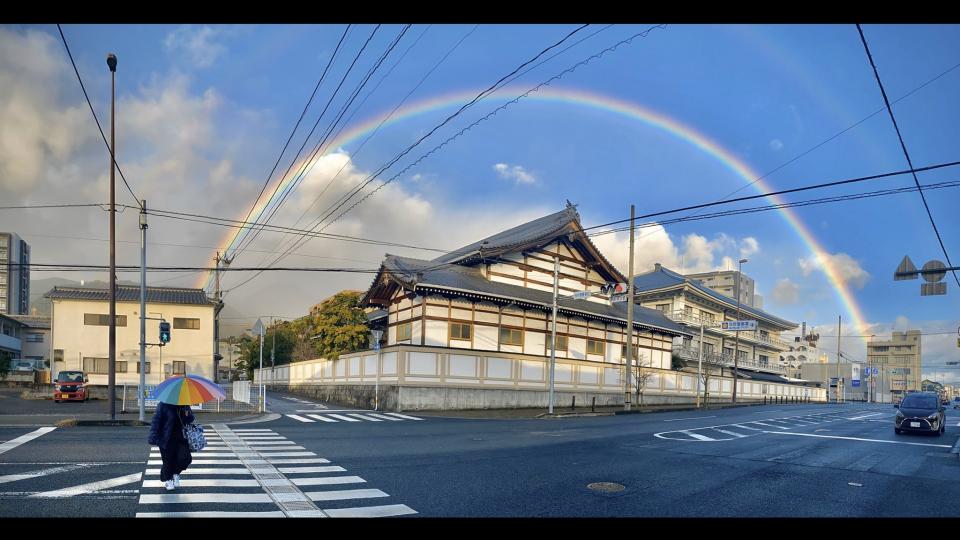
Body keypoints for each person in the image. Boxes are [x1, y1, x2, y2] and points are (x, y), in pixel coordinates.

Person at [148, 401, 195, 491]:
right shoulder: (163, 405)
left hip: (182, 437)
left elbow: (191, 419)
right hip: (166, 438)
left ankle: (175, 473)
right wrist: (153, 436)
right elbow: (156, 420)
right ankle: (168, 480)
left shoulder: (185, 405)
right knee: (168, 460)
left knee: (186, 458)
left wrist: (187, 414)